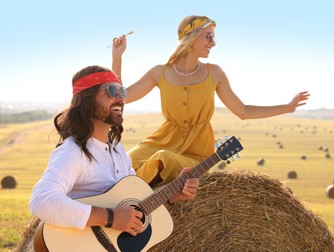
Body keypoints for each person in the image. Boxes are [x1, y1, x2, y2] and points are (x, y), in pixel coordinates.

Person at [111, 15, 310, 186]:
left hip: (195, 154)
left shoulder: (214, 73)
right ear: (190, 38)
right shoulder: (159, 72)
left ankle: (131, 199)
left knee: (164, 158)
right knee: (123, 162)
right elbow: (121, 98)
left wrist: (287, 107)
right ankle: (120, 201)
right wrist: (117, 57)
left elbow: (243, 111)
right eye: (209, 36)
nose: (213, 43)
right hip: (161, 140)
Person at [29, 65, 199, 236]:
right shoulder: (74, 151)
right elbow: (41, 201)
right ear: (87, 99)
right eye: (111, 91)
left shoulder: (117, 150)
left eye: (122, 92)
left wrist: (171, 195)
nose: (120, 98)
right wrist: (110, 217)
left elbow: (136, 206)